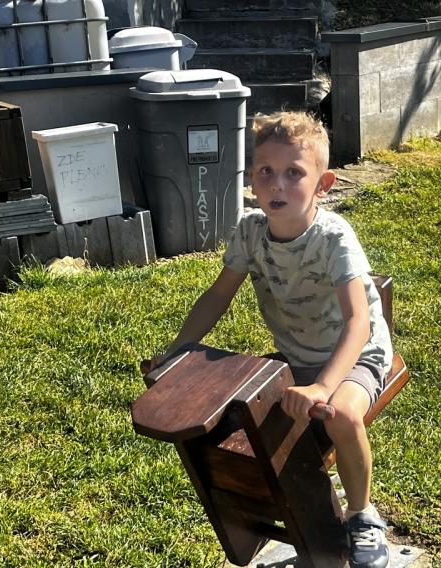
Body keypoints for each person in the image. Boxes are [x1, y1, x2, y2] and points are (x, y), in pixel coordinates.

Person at [160, 111, 393, 568]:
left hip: (354, 356)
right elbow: (218, 295)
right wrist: (178, 350)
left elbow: (359, 323)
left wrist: (323, 386)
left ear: (324, 184)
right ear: (251, 178)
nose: (277, 185)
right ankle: (267, 513)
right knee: (236, 425)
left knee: (342, 416)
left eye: (294, 173)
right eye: (266, 171)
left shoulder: (333, 238)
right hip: (293, 358)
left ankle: (362, 515)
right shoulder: (251, 231)